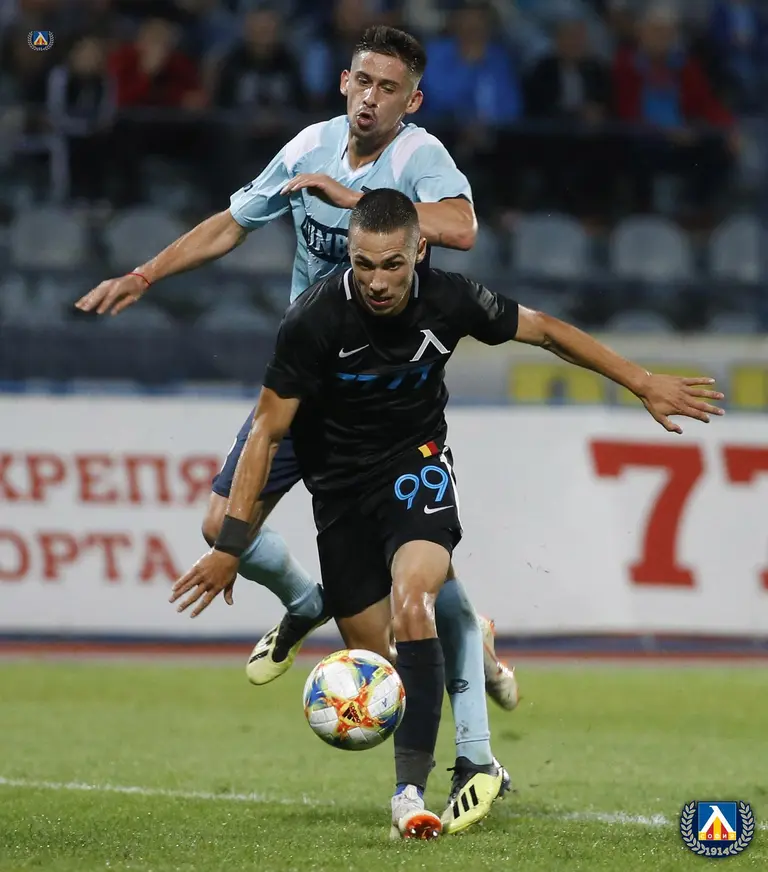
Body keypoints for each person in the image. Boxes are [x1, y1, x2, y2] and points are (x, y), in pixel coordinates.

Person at [169, 188, 725, 838]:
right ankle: (471, 638)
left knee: (415, 603)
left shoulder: (451, 299)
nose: (377, 281)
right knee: (382, 672)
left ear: (418, 252)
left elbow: (547, 331)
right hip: (339, 493)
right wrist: (231, 543)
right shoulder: (313, 319)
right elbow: (266, 432)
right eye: (363, 264)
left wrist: (643, 382)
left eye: (392, 265)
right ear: (349, 255)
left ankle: (410, 795)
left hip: (415, 466)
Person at [75, 22, 517, 825]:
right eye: (362, 81)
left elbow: (461, 228)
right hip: (307, 380)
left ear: (411, 101)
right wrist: (145, 273)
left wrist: (356, 205)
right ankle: (310, 599)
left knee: (416, 599)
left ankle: (477, 748)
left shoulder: (418, 157)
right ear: (344, 82)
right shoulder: (307, 147)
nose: (371, 98)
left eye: (389, 88)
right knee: (223, 525)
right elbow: (231, 221)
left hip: (380, 395)